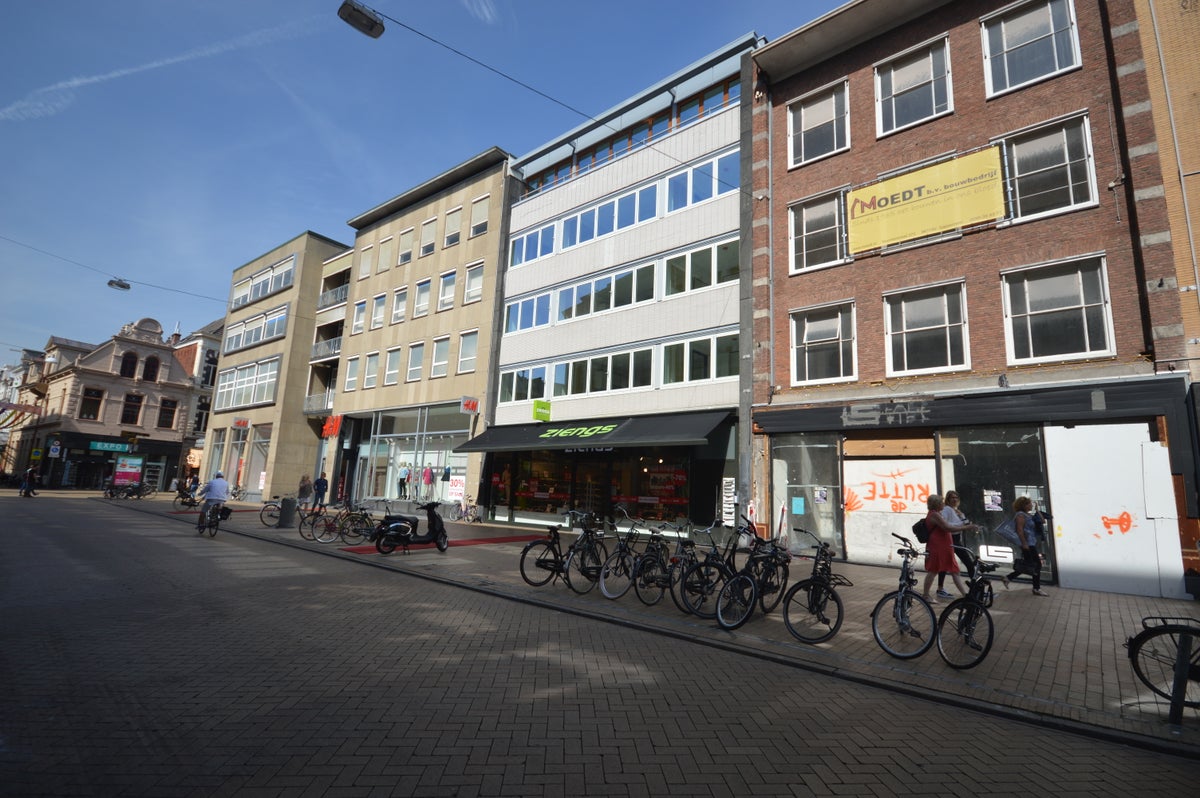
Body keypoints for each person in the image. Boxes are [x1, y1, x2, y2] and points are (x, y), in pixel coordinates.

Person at [921, 493, 977, 604]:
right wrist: (967, 527)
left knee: (955, 570)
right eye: (941, 502)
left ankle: (965, 595)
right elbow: (948, 527)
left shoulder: (937, 514)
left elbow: (950, 526)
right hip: (938, 547)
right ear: (936, 504)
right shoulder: (934, 515)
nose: (943, 503)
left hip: (946, 547)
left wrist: (963, 521)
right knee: (933, 570)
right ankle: (926, 595)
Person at [1002, 496, 1049, 596]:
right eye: (1029, 503)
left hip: (1031, 542)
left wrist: (1037, 510)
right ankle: (1036, 588)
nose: (1031, 505)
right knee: (1036, 565)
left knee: (1029, 565)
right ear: (1024, 505)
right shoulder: (1020, 515)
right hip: (1027, 544)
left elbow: (1043, 521)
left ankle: (1008, 578)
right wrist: (1024, 544)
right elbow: (1019, 530)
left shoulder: (1028, 515)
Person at [936, 491, 975, 599]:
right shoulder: (947, 510)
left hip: (957, 539)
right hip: (950, 539)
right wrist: (962, 524)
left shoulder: (957, 511)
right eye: (952, 497)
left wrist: (964, 519)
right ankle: (975, 588)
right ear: (947, 499)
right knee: (968, 562)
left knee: (946, 565)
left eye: (956, 497)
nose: (954, 499)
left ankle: (940, 589)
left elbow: (966, 523)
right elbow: (945, 524)